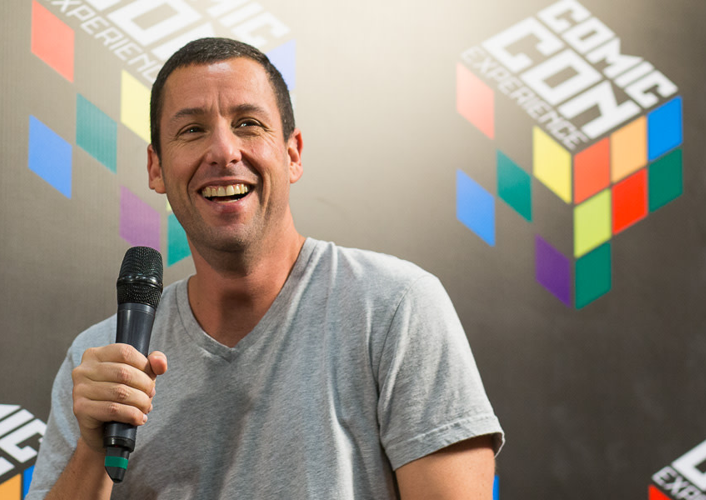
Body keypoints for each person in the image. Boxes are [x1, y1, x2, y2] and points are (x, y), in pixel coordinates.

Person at [27, 37, 504, 499]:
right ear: (156, 168)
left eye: (248, 124)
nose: (224, 151)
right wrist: (94, 448)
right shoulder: (100, 361)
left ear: (293, 154)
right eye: (192, 130)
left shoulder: (396, 308)